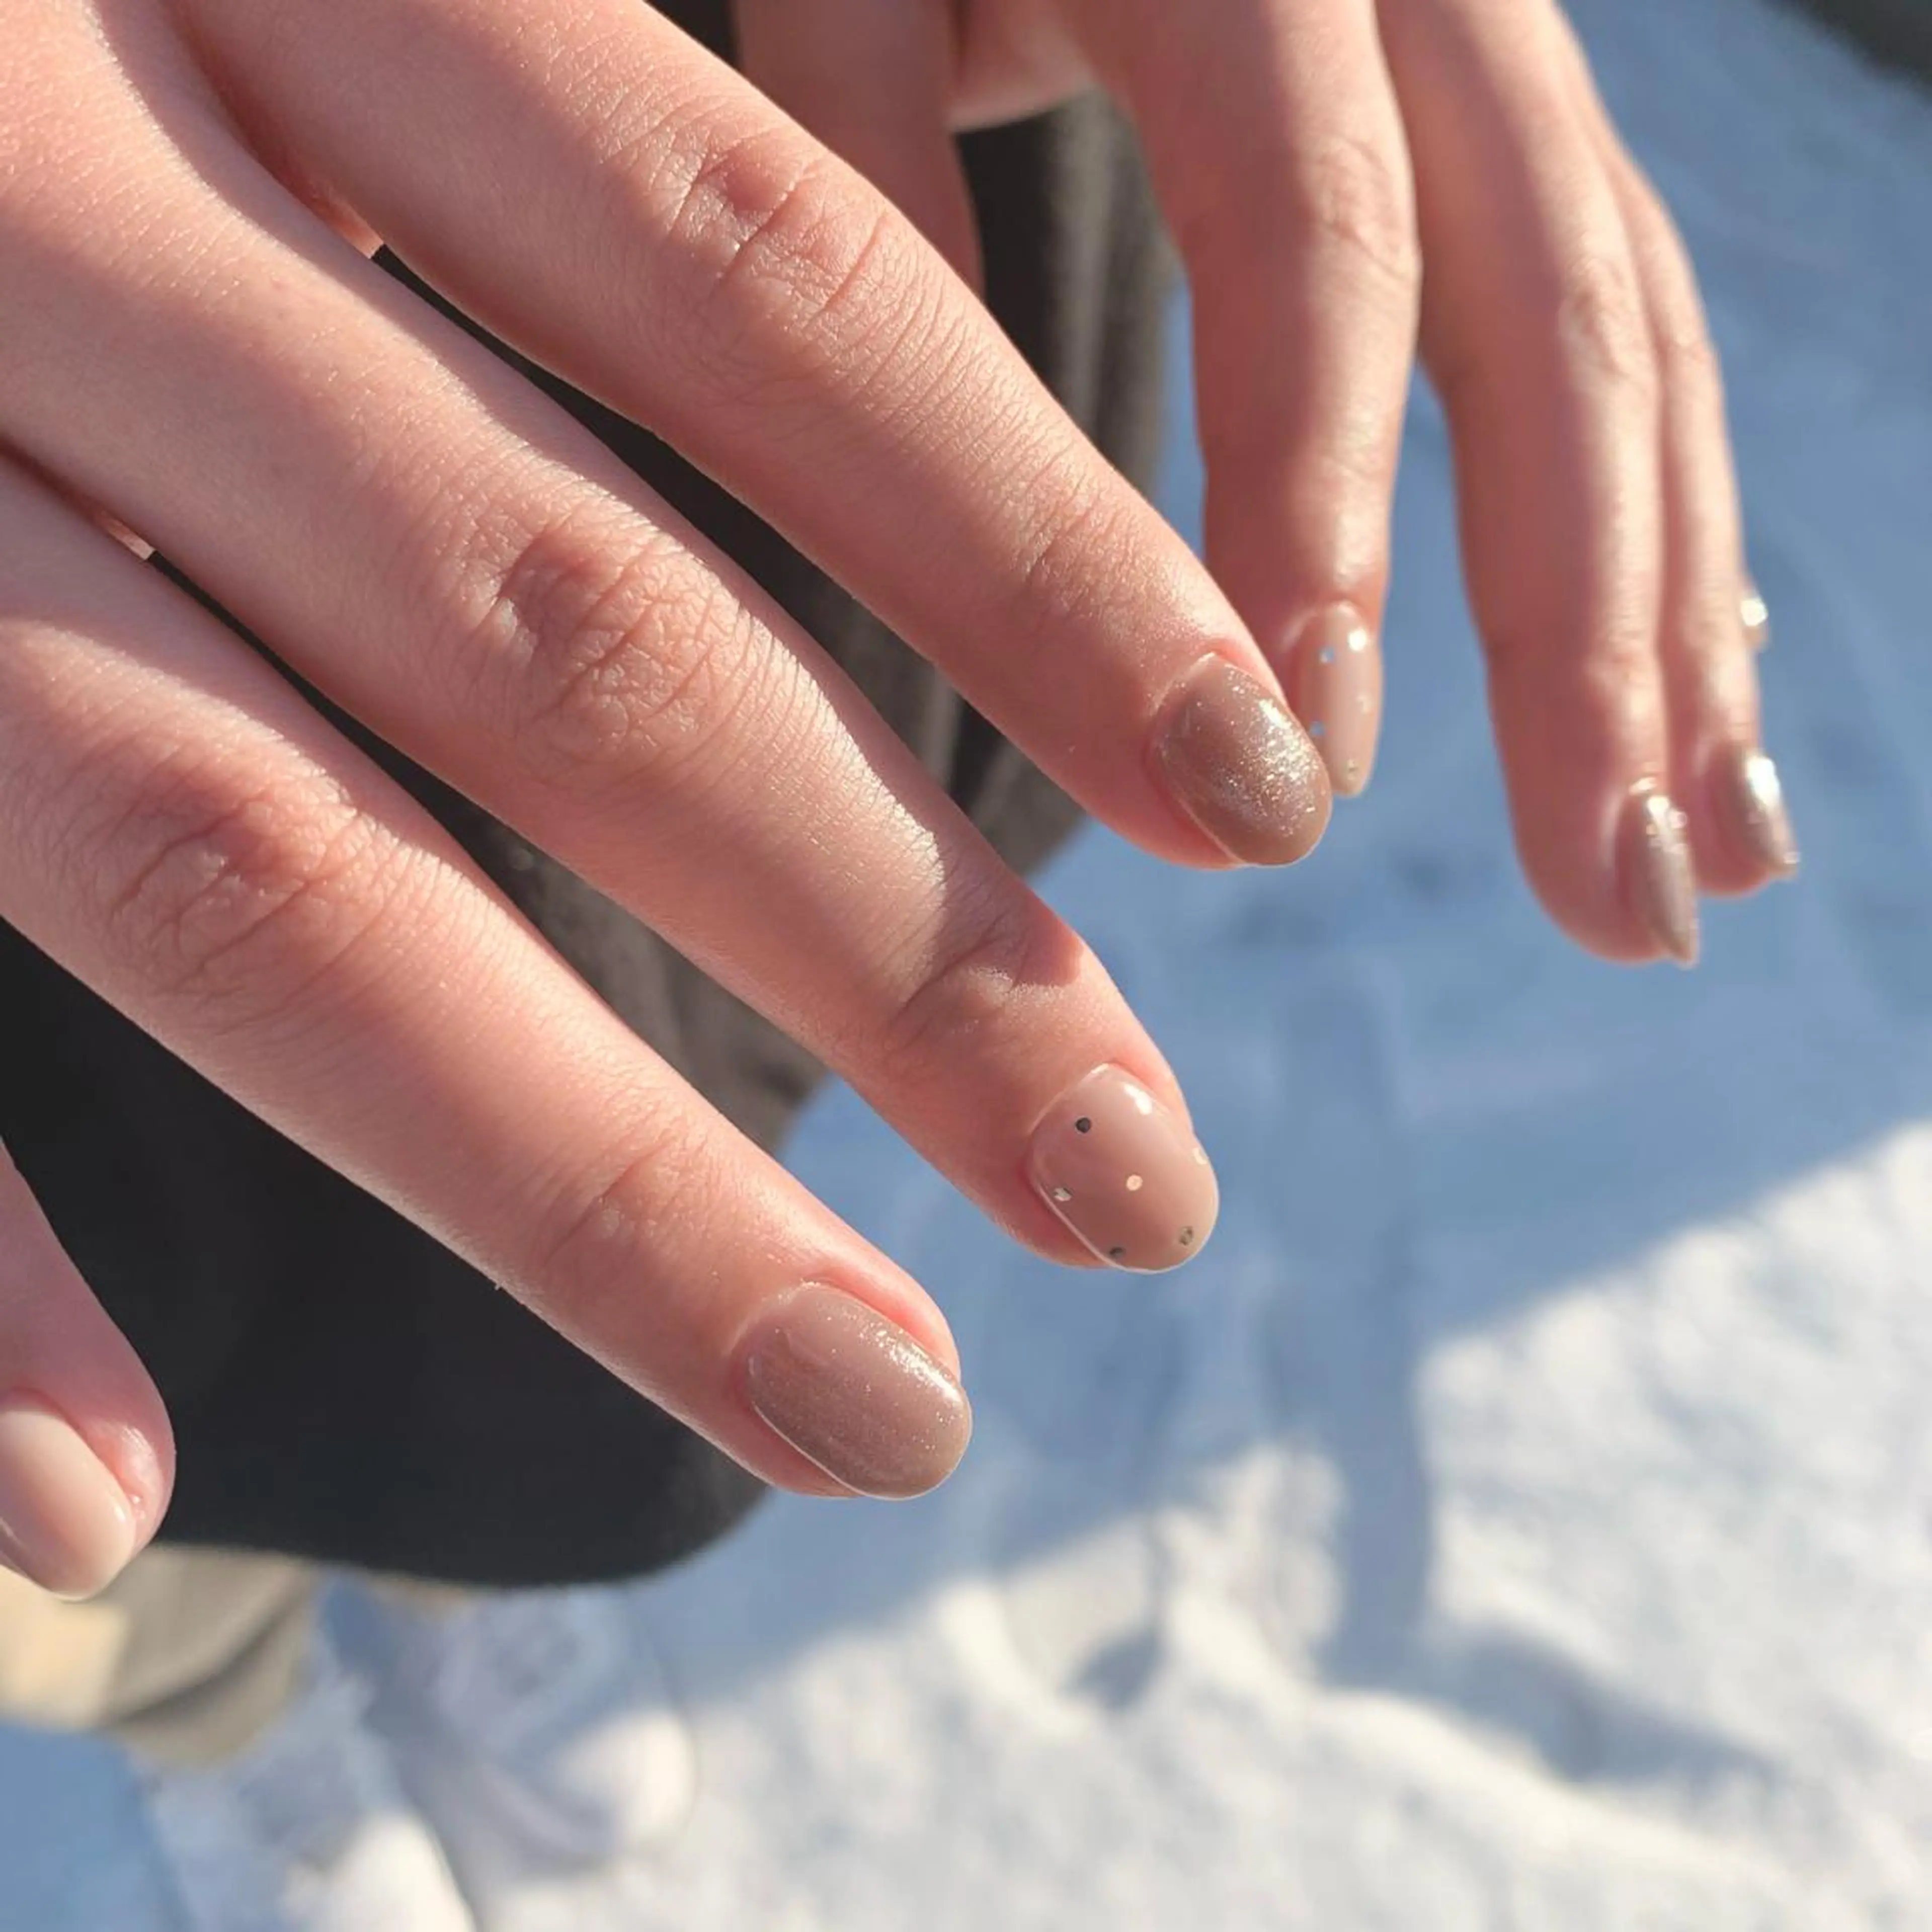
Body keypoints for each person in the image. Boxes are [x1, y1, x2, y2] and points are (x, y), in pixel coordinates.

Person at [0, 0, 1797, 1766]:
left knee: (663, 1090)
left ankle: (435, 1601)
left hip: (715, 144)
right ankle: (225, 1705)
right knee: (133, 1470)